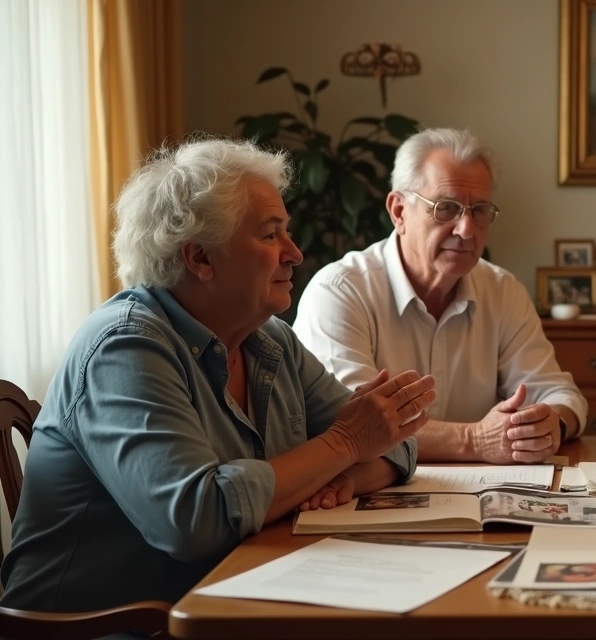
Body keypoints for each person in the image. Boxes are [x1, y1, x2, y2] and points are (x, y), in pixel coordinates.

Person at [0, 138, 436, 614]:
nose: (294, 252)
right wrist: (343, 447)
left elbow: (395, 442)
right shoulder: (125, 348)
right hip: (107, 627)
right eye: (270, 236)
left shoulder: (269, 340)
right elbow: (193, 521)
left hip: (234, 600)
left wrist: (345, 473)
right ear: (200, 258)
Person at [294, 128, 587, 466]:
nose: (466, 229)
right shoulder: (340, 291)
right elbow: (349, 423)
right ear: (399, 211)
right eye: (446, 208)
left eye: (479, 210)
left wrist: (551, 425)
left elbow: (562, 396)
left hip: (483, 500)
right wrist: (473, 440)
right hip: (369, 495)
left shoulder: (503, 291)